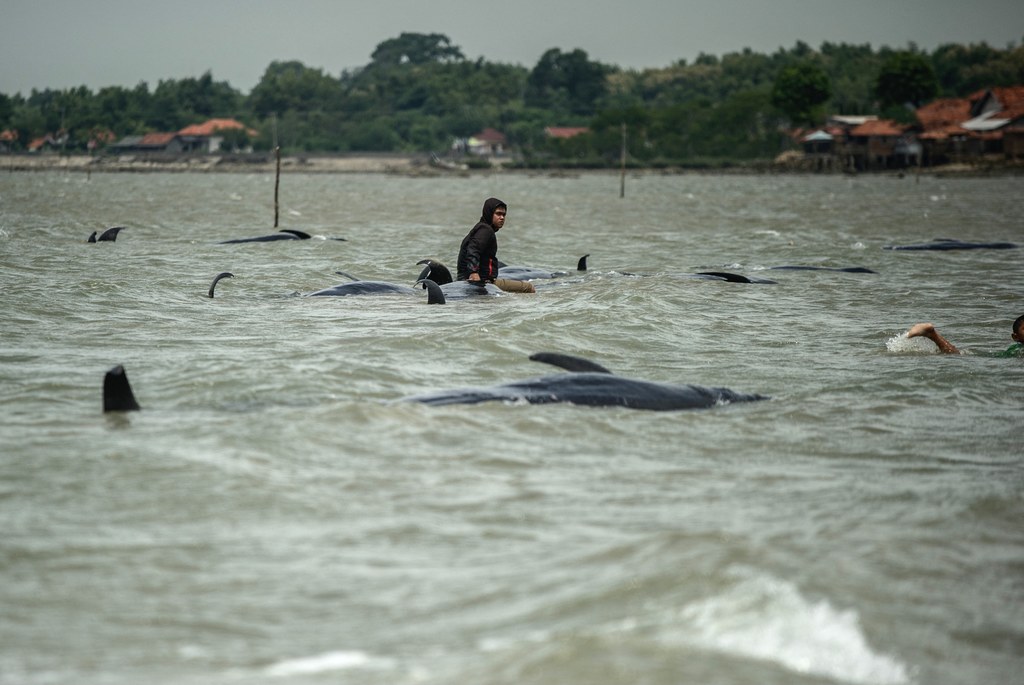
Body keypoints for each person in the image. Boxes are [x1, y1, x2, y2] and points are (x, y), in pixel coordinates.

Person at [456, 197, 535, 293]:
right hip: (480, 282)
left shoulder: (481, 228)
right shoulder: (486, 230)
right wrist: (473, 273)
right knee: (529, 288)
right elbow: (473, 249)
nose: (502, 217)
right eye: (498, 214)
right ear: (489, 213)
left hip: (476, 281)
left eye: (504, 215)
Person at [906, 315, 1024, 357]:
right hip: (993, 358)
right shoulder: (1018, 351)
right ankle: (932, 335)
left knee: (957, 354)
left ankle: (932, 335)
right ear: (1015, 337)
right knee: (956, 355)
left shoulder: (1015, 350)